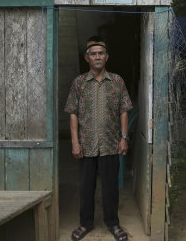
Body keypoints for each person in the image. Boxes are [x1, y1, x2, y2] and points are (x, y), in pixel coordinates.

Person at [64, 36, 132, 241]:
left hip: (111, 143)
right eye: (93, 54)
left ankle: (113, 223)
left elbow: (124, 111)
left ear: (107, 57)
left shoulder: (117, 81)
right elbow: (73, 112)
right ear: (87, 58)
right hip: (86, 145)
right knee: (86, 188)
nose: (97, 57)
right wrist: (75, 142)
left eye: (100, 53)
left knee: (110, 188)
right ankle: (86, 224)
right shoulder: (79, 83)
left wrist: (124, 137)